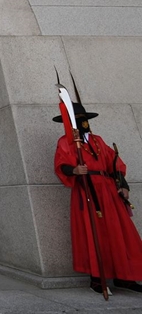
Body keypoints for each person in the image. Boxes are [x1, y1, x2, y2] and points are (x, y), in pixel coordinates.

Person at [53, 102, 142, 294]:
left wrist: (123, 186)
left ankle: (124, 277)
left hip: (109, 192)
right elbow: (61, 165)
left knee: (119, 232)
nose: (81, 124)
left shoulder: (98, 141)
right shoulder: (65, 142)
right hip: (88, 191)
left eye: (82, 120)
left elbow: (115, 163)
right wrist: (74, 170)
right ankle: (96, 279)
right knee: (94, 233)